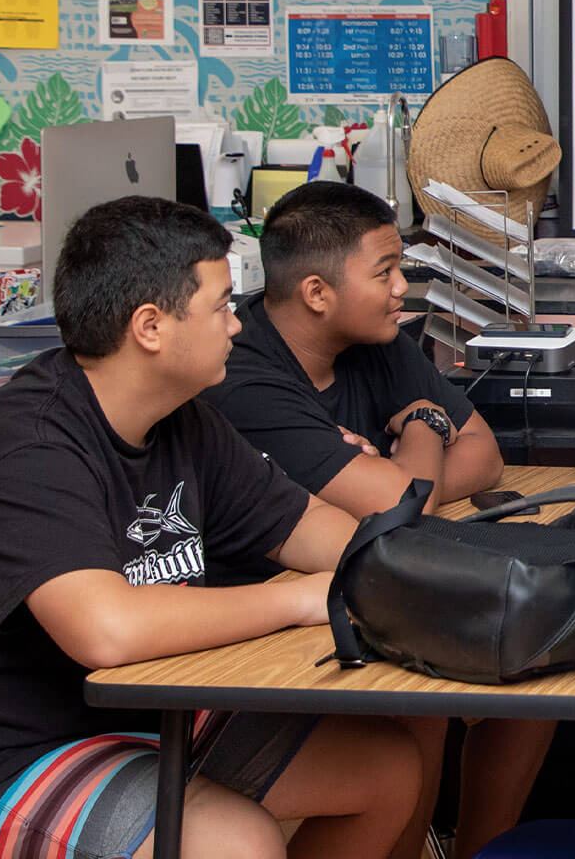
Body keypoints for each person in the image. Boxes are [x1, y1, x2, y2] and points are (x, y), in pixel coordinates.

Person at [0, 196, 423, 859]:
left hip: (139, 718)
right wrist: (299, 598)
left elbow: (306, 523)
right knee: (235, 843)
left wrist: (400, 575)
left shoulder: (183, 417)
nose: (237, 327)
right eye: (221, 306)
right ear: (151, 327)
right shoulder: (23, 451)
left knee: (387, 772)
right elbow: (108, 630)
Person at [202, 180, 543, 858]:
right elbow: (400, 502)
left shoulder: (374, 340)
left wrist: (407, 472)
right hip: (269, 618)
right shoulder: (244, 375)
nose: (402, 288)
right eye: (384, 271)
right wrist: (423, 425)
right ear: (317, 294)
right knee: (423, 698)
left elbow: (486, 457)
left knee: (537, 677)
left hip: (376, 575)